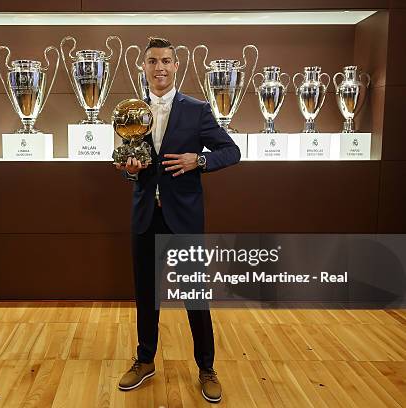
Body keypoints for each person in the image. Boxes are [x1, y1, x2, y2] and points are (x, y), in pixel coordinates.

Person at [114, 37, 241, 403]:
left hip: (183, 219)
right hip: (144, 216)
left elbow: (231, 151)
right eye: (152, 61)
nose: (160, 68)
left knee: (194, 296)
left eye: (166, 61)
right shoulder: (129, 111)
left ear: (176, 66)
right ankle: (144, 360)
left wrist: (197, 161)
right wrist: (128, 169)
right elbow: (127, 163)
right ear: (143, 66)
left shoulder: (197, 109)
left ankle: (206, 368)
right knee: (146, 296)